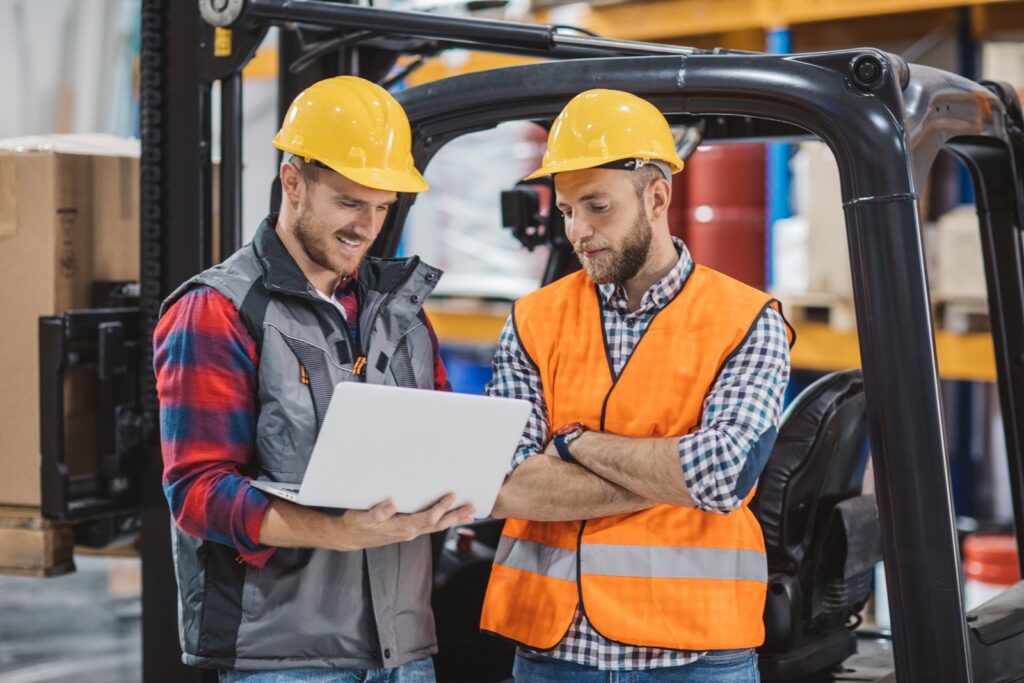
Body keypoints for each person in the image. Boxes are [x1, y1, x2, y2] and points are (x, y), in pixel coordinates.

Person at [154, 76, 473, 682]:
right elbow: (196, 491)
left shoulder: (400, 311)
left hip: (404, 651)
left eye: (381, 207)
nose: (367, 226)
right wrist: (336, 532)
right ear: (293, 181)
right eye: (350, 203)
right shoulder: (219, 309)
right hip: (283, 660)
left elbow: (438, 440)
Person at [480, 89, 794, 682]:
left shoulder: (746, 319)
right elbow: (500, 482)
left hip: (695, 657)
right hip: (554, 654)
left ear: (656, 196)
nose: (578, 231)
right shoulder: (533, 318)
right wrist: (672, 472)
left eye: (597, 207)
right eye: (568, 210)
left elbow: (724, 474)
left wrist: (574, 444)